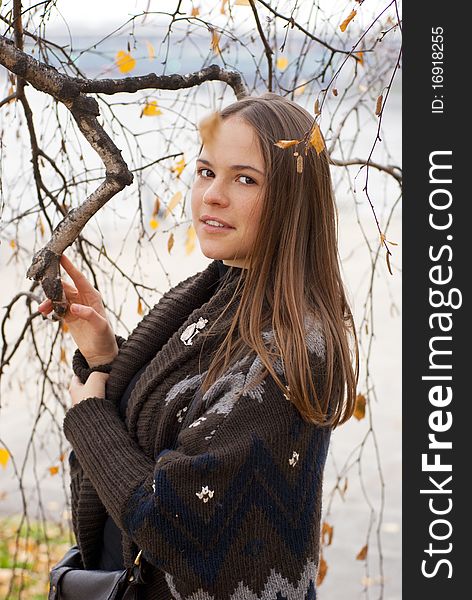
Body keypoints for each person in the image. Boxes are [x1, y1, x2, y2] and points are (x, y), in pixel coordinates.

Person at [38, 92, 359, 600]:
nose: (212, 195)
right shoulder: (214, 294)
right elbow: (183, 422)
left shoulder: (289, 352)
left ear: (292, 200)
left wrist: (91, 417)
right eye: (206, 171)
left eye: (245, 179)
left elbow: (174, 522)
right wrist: (107, 358)